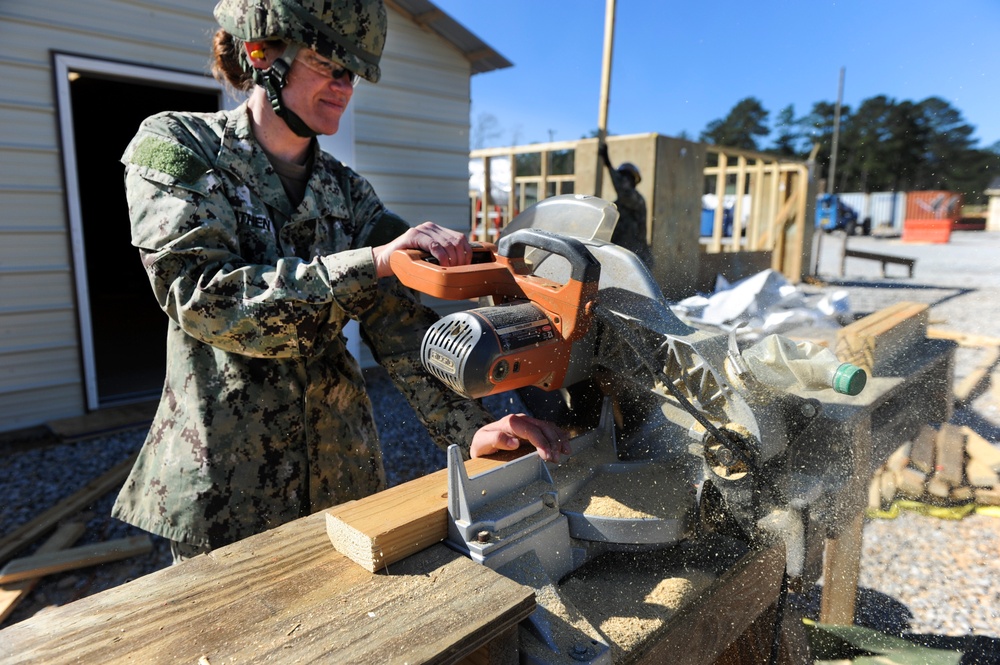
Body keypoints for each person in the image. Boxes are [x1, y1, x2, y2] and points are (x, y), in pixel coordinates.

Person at [112, 0, 569, 562]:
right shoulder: (182, 148)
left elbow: (405, 330)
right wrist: (371, 260)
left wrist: (475, 426)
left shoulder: (348, 193)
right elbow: (202, 297)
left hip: (342, 477)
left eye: (353, 74)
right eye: (328, 65)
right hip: (226, 487)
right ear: (263, 54)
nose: (344, 87)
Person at [599, 143, 654, 269]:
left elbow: (624, 193)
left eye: (627, 178)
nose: (624, 181)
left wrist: (609, 165)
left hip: (636, 261)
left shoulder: (637, 200)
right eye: (622, 177)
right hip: (619, 257)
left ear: (634, 182)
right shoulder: (617, 205)